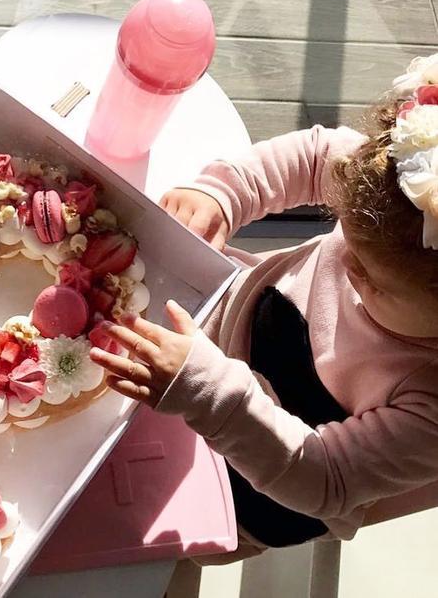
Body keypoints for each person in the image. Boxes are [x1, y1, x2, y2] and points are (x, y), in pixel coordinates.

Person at [89, 54, 438, 560]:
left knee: (136, 541)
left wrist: (209, 393)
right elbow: (315, 156)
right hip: (225, 328)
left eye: (374, 280)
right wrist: (224, 193)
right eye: (345, 236)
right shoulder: (400, 184)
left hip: (256, 490)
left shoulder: (428, 406)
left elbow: (324, 476)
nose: (345, 262)